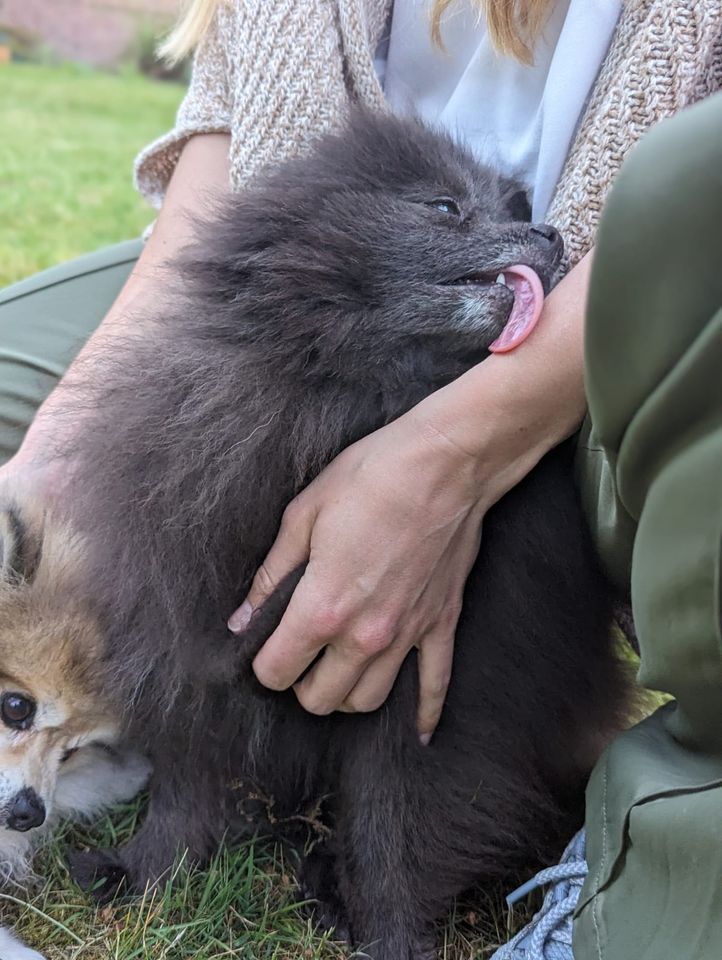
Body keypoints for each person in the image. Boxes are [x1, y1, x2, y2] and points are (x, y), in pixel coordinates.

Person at [0, 2, 720, 957]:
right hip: (341, 279)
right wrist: (49, 471)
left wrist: (453, 459)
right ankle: (197, 806)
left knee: (686, 192)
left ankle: (652, 858)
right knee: (83, 451)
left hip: (615, 305)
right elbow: (223, 196)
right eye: (453, 216)